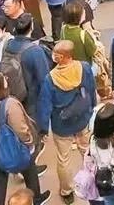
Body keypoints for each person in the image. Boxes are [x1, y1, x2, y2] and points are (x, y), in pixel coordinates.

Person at [36, 39, 97, 204]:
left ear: (63, 57)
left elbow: (45, 106)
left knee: (64, 159)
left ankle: (67, 191)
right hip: (82, 118)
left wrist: (42, 129)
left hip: (61, 125)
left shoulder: (50, 79)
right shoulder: (83, 67)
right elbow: (91, 89)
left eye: (56, 53)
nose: (53, 55)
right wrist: (92, 107)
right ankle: (92, 180)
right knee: (87, 152)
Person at [0, 72, 47, 205]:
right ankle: (35, 199)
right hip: (14, 152)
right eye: (4, 81)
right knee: (30, 171)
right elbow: (22, 131)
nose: (7, 80)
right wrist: (30, 143)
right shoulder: (10, 105)